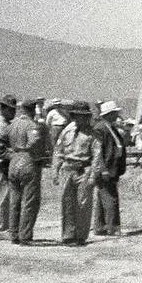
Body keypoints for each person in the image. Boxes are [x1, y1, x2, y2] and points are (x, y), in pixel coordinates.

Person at [0, 97, 48, 245]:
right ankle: (25, 235)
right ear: (33, 109)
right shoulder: (31, 125)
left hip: (13, 164)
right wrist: (29, 150)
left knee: (14, 201)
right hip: (28, 163)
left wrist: (10, 154)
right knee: (30, 201)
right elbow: (34, 141)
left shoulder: (12, 124)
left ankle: (14, 234)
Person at [52, 101, 101, 245]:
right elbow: (58, 151)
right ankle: (68, 235)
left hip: (83, 170)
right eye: (77, 116)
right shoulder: (67, 131)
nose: (80, 119)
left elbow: (97, 156)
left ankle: (80, 236)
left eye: (83, 116)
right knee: (67, 203)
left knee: (83, 204)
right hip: (67, 170)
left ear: (87, 117)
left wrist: (93, 176)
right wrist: (55, 170)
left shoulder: (93, 135)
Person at [92, 100, 127, 237]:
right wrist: (103, 169)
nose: (117, 115)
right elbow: (98, 151)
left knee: (103, 198)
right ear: (109, 114)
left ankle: (100, 226)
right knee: (111, 198)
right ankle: (113, 227)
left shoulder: (110, 128)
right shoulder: (101, 128)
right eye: (115, 113)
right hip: (106, 169)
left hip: (112, 168)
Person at [0, 94, 18, 240]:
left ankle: (4, 228)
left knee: (6, 197)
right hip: (3, 164)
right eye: (11, 110)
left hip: (4, 163)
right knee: (4, 198)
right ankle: (1, 229)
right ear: (4, 109)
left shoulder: (0, 123)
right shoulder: (2, 125)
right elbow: (0, 147)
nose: (13, 113)